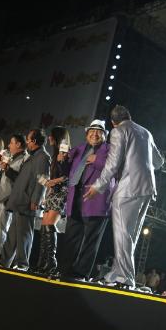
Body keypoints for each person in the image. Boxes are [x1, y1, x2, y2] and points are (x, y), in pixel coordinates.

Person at [84, 105, 163, 289]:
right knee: (130, 236)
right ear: (129, 117)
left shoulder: (118, 131)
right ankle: (118, 273)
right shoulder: (146, 132)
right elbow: (159, 162)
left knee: (122, 234)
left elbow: (112, 163)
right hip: (147, 188)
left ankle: (124, 278)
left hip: (129, 188)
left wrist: (99, 185)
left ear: (113, 123)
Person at [58, 119, 113, 281]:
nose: (94, 134)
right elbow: (66, 171)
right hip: (76, 197)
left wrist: (97, 160)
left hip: (96, 199)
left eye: (99, 132)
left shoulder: (110, 149)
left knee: (90, 240)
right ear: (87, 134)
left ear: (105, 135)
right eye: (92, 131)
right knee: (71, 236)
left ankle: (81, 273)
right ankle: (65, 269)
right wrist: (62, 160)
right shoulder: (79, 148)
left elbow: (117, 168)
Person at [0, 129, 51, 271]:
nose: (27, 142)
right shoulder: (31, 156)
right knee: (13, 235)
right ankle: (3, 261)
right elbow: (21, 178)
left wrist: (36, 200)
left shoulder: (43, 157)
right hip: (20, 200)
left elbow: (43, 179)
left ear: (34, 141)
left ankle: (22, 264)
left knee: (24, 234)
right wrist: (7, 169)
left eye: (28, 140)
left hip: (28, 201)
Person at [0, 134, 28, 265]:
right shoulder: (9, 155)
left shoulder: (25, 159)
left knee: (0, 229)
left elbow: (20, 179)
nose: (9, 145)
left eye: (11, 143)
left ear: (18, 144)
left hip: (7, 197)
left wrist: (7, 168)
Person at [35, 126, 71, 275]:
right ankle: (42, 262)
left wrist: (53, 181)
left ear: (57, 137)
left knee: (50, 225)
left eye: (51, 135)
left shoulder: (66, 153)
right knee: (44, 227)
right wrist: (47, 191)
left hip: (61, 193)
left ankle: (51, 262)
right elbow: (54, 177)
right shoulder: (55, 154)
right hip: (53, 193)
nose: (49, 138)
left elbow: (67, 176)